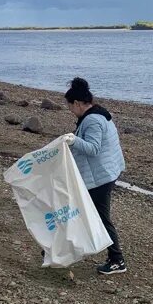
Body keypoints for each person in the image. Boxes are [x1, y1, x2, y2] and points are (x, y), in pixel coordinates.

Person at [62, 77, 128, 275]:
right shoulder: (98, 113)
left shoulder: (92, 120)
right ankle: (65, 249)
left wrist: (73, 140)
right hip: (104, 172)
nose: (70, 111)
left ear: (77, 103)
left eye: (70, 106)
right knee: (81, 211)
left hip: (101, 177)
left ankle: (117, 260)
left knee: (100, 217)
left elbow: (93, 149)